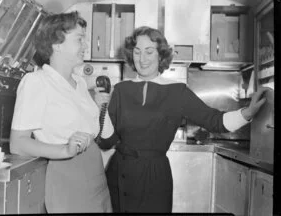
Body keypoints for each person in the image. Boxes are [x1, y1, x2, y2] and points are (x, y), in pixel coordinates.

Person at [97, 26, 268, 213]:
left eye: (149, 51)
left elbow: (215, 121)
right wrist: (101, 108)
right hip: (119, 173)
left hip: (155, 176)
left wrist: (247, 113)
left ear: (160, 55)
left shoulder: (177, 91)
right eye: (137, 52)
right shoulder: (120, 89)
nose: (142, 59)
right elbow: (107, 141)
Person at [9, 11, 114, 213]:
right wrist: (64, 150)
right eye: (79, 39)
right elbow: (18, 143)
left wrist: (101, 106)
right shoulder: (36, 82)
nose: (85, 46)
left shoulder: (80, 84)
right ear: (56, 44)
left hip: (95, 176)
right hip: (68, 175)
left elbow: (103, 134)